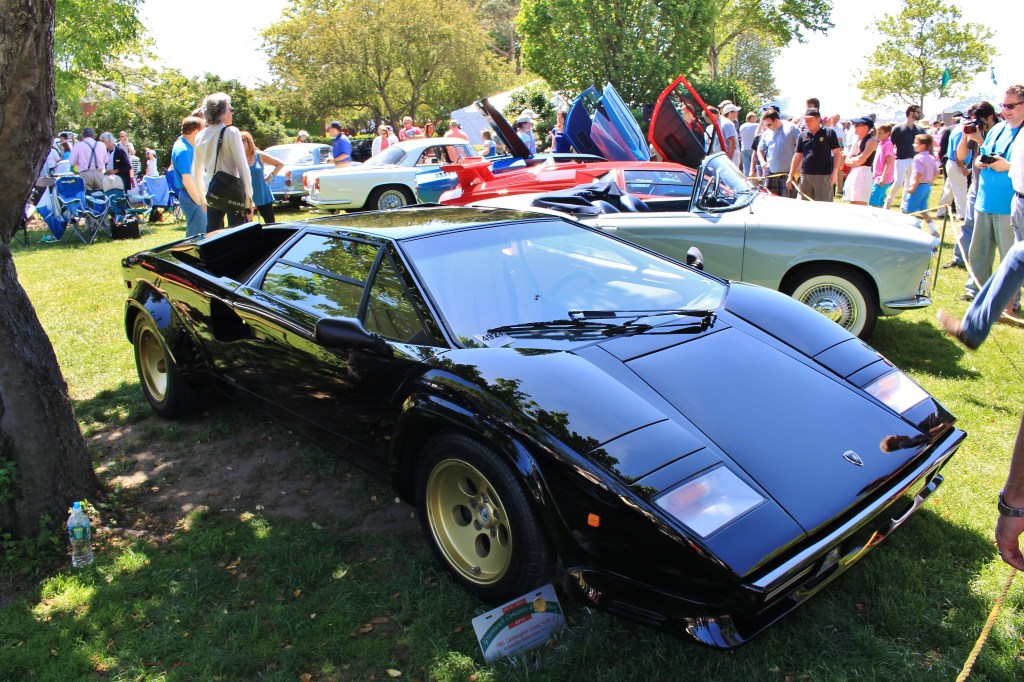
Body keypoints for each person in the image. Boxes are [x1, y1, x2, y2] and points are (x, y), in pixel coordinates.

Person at [967, 86, 1024, 308]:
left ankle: (1010, 302)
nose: (1005, 110)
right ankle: (979, 293)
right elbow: (983, 152)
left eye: (1010, 106)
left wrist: (1006, 166)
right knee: (978, 253)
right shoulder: (998, 128)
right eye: (1003, 105)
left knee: (1009, 259)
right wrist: (981, 160)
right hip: (984, 200)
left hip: (1009, 204)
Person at [193, 91, 254, 230]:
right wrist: (248, 198)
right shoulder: (231, 132)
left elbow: (196, 171)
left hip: (212, 191)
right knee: (238, 234)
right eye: (230, 109)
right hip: (233, 192)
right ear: (221, 112)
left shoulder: (200, 136)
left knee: (213, 236)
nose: (232, 112)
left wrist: (202, 198)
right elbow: (243, 167)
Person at [955, 102, 999, 292]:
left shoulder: (1000, 132)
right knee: (975, 240)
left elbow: (993, 158)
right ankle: (974, 287)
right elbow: (961, 155)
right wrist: (966, 136)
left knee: (997, 243)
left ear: (990, 117)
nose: (976, 123)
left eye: (979, 120)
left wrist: (981, 141)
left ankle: (1008, 296)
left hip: (996, 191)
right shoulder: (975, 131)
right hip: (976, 189)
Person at [787, 108, 841, 202]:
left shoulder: (829, 133)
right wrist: (790, 175)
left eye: (810, 120)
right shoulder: (802, 135)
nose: (807, 122)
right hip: (806, 176)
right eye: (806, 120)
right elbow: (797, 156)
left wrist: (835, 172)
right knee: (805, 205)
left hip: (824, 176)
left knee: (823, 206)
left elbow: (837, 153)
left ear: (818, 119)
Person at [171, 115, 207, 237]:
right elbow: (187, 180)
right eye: (204, 130)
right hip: (192, 195)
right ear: (196, 131)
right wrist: (200, 201)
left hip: (190, 194)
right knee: (198, 236)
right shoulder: (184, 150)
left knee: (199, 233)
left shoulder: (184, 145)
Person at [241, 131, 285, 224]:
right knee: (246, 225)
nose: (241, 143)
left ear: (249, 142)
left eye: (243, 140)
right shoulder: (237, 157)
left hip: (262, 194)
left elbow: (280, 164)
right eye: (238, 141)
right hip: (245, 197)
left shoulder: (259, 155)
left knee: (270, 223)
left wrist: (270, 177)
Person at [886, 105, 925, 208]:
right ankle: (889, 200)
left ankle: (904, 206)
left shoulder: (919, 129)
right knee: (898, 182)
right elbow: (891, 145)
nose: (919, 114)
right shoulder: (898, 128)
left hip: (914, 160)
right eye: (917, 112)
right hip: (900, 159)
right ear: (911, 113)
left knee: (909, 184)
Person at [902, 133, 940, 235]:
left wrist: (913, 187)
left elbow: (919, 173)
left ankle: (912, 231)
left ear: (923, 145)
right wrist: (930, 181)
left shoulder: (918, 158)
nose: (913, 145)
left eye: (916, 143)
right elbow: (937, 172)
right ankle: (933, 229)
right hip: (926, 186)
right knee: (923, 209)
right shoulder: (931, 157)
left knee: (909, 211)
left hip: (918, 186)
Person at [756, 109, 800, 197]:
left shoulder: (792, 128)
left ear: (776, 120)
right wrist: (762, 162)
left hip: (788, 174)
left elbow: (801, 149)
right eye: (766, 125)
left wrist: (796, 171)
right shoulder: (767, 133)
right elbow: (760, 149)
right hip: (771, 173)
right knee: (771, 200)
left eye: (769, 124)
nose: (767, 127)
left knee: (788, 201)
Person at [842, 117, 877, 206]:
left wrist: (854, 160)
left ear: (866, 127)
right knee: (852, 202)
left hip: (863, 173)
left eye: (858, 125)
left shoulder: (871, 141)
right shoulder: (856, 141)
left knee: (860, 204)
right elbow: (846, 160)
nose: (855, 127)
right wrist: (855, 160)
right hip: (853, 173)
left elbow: (861, 160)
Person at [69, 127, 108, 191]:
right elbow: (106, 160)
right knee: (100, 196)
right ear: (93, 136)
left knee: (87, 196)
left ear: (83, 136)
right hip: (99, 173)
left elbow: (72, 162)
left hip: (85, 174)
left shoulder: (79, 145)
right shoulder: (101, 145)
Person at [869, 123, 896, 208]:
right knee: (879, 200)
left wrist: (883, 177)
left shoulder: (888, 144)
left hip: (883, 177)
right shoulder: (881, 144)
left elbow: (889, 161)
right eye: (878, 132)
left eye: (880, 133)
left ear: (887, 133)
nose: (878, 135)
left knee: (874, 199)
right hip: (878, 176)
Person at [739, 112, 758, 176]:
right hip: (753, 149)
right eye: (755, 117)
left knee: (746, 168)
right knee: (756, 167)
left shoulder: (742, 126)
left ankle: (747, 183)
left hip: (744, 148)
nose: (756, 118)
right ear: (752, 117)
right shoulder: (757, 126)